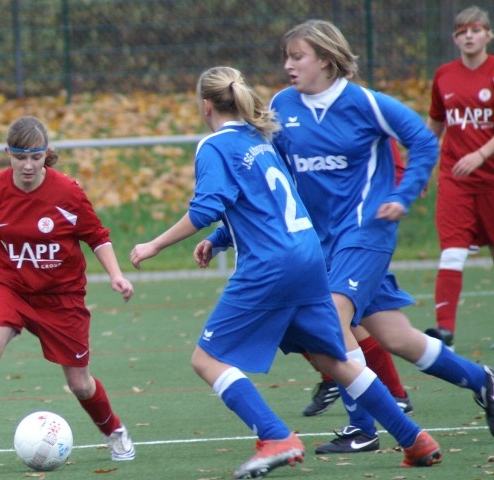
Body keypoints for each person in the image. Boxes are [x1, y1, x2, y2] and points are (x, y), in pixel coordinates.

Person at [131, 65, 442, 479]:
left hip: (269, 265)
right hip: (308, 257)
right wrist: (222, 238)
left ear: (206, 105)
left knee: (207, 359)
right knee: (335, 359)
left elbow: (206, 207)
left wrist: (153, 245)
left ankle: (275, 436)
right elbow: (269, 202)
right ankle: (414, 438)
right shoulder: (259, 137)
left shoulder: (215, 145)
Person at [270, 19, 494, 456]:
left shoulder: (364, 102)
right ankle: (483, 381)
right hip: (323, 243)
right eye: (286, 57)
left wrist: (402, 194)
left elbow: (423, 142)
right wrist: (224, 235)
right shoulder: (283, 106)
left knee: (329, 319)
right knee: (396, 337)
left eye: (297, 57)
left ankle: (363, 428)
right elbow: (271, 176)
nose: (288, 65)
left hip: (365, 232)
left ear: (327, 59)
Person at [0, 116, 136, 472]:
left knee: (80, 384)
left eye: (36, 156)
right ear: (8, 153)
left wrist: (116, 275)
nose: (29, 165)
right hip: (10, 288)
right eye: (20, 157)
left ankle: (115, 431)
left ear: (46, 153)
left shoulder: (68, 192)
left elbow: (97, 236)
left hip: (61, 296)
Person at [302, 141, 412, 417]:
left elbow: (406, 155)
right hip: (319, 234)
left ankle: (386, 399)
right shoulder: (296, 123)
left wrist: (402, 192)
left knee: (335, 320)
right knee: (310, 318)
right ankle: (341, 380)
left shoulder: (362, 117)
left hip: (355, 238)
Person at [425, 5, 494, 349]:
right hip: (456, 180)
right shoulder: (444, 75)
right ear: (454, 39)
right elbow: (436, 124)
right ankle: (445, 335)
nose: (469, 36)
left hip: (491, 182)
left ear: (488, 35)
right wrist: (422, 168)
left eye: (475, 30)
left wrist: (481, 154)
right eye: (462, 32)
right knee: (452, 252)